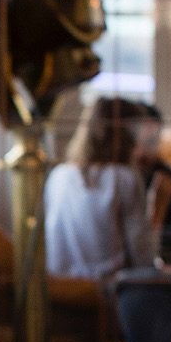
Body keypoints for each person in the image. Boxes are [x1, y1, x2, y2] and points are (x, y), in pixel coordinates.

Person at [44, 97, 156, 279]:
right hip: (107, 295)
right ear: (125, 133)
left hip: (60, 291)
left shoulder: (57, 175)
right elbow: (141, 257)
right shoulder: (123, 178)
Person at [129, 102, 171, 269]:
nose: (144, 153)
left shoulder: (164, 176)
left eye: (152, 142)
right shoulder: (122, 177)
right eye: (138, 143)